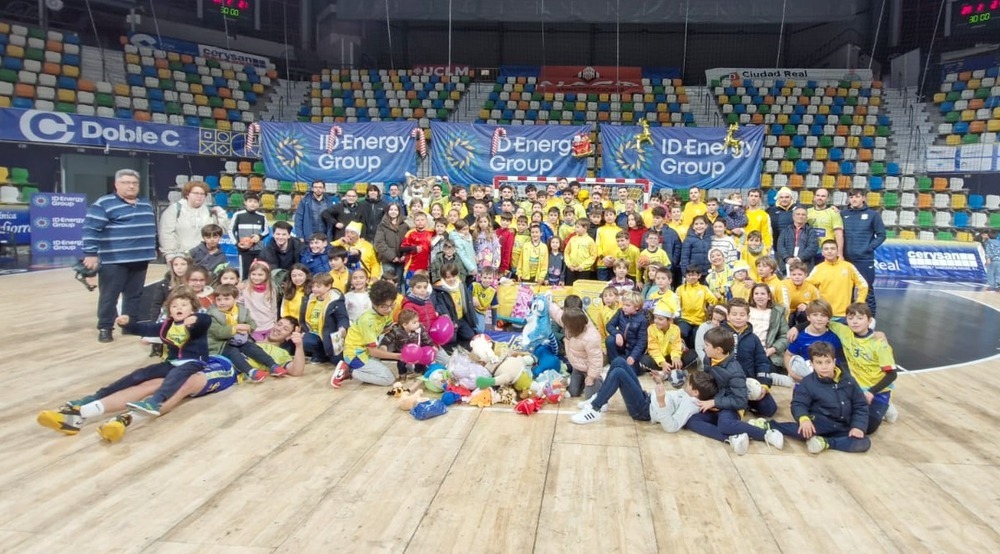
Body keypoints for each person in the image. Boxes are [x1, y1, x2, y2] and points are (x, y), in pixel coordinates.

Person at [82, 168, 158, 343]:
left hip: (140, 259)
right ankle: (105, 327)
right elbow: (91, 228)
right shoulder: (104, 203)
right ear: (116, 185)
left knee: (135, 295)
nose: (131, 186)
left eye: (134, 183)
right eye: (126, 183)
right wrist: (90, 253)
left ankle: (129, 325)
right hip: (113, 260)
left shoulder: (145, 203)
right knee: (109, 295)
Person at [681, 327, 784, 455]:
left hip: (730, 406)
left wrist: (714, 402)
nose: (704, 348)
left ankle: (767, 434)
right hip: (713, 403)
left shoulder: (735, 372)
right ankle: (731, 438)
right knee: (692, 421)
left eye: (707, 345)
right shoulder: (708, 359)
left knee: (725, 424)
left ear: (718, 350)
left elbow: (740, 401)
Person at [765, 341, 871, 454]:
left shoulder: (849, 381)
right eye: (819, 363)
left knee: (864, 442)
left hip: (843, 425)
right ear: (812, 364)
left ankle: (825, 442)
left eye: (828, 362)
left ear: (834, 362)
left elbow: (860, 405)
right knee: (802, 431)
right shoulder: (807, 383)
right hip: (819, 424)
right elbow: (799, 404)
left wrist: (858, 426)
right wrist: (804, 419)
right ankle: (768, 425)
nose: (824, 366)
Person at [570, 355, 717, 427]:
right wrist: (659, 382)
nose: (687, 385)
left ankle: (594, 409)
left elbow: (671, 426)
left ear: (696, 392)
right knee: (619, 362)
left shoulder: (690, 405)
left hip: (644, 410)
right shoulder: (689, 395)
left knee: (618, 374)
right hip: (647, 399)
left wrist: (660, 402)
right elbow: (671, 399)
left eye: (689, 384)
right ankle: (601, 401)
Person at [826, 303, 899, 433]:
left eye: (860, 318)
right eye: (851, 318)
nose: (855, 322)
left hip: (877, 392)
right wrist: (797, 328)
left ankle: (885, 407)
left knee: (867, 427)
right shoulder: (844, 331)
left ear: (869, 321)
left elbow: (892, 375)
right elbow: (822, 319)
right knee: (838, 416)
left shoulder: (879, 343)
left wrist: (871, 392)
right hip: (856, 388)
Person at [207, 284, 287, 382]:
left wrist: (248, 328)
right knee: (233, 351)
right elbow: (219, 332)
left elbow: (252, 323)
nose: (222, 302)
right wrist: (235, 328)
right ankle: (251, 372)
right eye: (219, 300)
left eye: (226, 299)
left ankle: (272, 365)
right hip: (220, 343)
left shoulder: (242, 310)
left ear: (235, 299)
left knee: (252, 347)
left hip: (239, 339)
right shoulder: (212, 315)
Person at [333, 279, 402, 387]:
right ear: (374, 304)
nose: (388, 310)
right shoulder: (368, 321)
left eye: (391, 305)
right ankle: (348, 371)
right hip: (355, 355)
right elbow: (373, 352)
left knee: (381, 370)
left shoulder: (385, 312)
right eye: (384, 306)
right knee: (388, 379)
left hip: (365, 351)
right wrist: (398, 356)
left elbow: (383, 328)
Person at [723, 299, 786, 409]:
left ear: (748, 317)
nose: (738, 317)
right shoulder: (718, 335)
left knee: (769, 408)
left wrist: (764, 384)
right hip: (725, 383)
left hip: (749, 382)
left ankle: (746, 403)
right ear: (727, 316)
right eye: (734, 314)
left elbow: (762, 362)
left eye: (742, 315)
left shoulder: (753, 339)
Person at [158, 180, 231, 261]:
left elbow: (222, 231)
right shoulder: (174, 209)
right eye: (196, 193)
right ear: (187, 194)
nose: (199, 196)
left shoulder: (208, 211)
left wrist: (221, 213)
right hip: (180, 257)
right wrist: (170, 255)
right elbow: (165, 234)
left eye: (202, 194)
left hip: (204, 257)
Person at [841, 188, 886, 317]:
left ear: (863, 198)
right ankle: (847, 319)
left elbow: (882, 235)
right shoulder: (843, 214)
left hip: (864, 260)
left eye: (857, 197)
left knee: (867, 290)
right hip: (846, 259)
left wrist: (869, 248)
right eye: (852, 197)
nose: (854, 199)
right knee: (846, 291)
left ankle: (871, 321)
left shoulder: (873, 215)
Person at [549, 303, 605, 399]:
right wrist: (547, 303)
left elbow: (596, 360)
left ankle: (599, 380)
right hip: (577, 367)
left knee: (591, 398)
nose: (564, 326)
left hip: (589, 368)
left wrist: (591, 376)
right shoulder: (569, 325)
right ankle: (581, 384)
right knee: (573, 393)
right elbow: (557, 314)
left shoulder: (591, 337)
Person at [783, 299, 844, 381]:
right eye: (815, 315)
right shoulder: (800, 337)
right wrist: (791, 372)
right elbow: (788, 355)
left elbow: (838, 362)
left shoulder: (833, 338)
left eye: (823, 315)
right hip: (802, 377)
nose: (819, 319)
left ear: (829, 318)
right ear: (808, 317)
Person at [807, 239, 869, 320]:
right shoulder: (818, 268)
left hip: (844, 315)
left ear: (837, 251)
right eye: (826, 249)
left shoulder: (848, 266)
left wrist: (859, 302)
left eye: (832, 248)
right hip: (824, 314)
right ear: (822, 252)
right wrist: (811, 303)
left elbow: (863, 285)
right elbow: (806, 285)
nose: (829, 251)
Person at [298, 272, 349, 364]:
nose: (314, 289)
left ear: (328, 286)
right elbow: (302, 318)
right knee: (306, 341)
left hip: (330, 334)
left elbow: (342, 317)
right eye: (313, 286)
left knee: (337, 361)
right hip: (314, 332)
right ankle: (319, 354)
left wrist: (342, 328)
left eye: (318, 286)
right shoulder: (308, 299)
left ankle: (329, 354)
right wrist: (302, 330)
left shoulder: (336, 301)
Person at [640, 304, 698, 381]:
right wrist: (662, 362)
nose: (656, 321)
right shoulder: (651, 328)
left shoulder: (675, 329)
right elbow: (653, 348)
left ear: (669, 320)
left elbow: (676, 345)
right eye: (655, 318)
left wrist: (676, 357)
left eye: (660, 319)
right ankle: (670, 372)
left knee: (693, 354)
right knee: (644, 360)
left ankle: (665, 373)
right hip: (658, 360)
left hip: (671, 358)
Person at [379, 308, 436, 381]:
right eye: (414, 322)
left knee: (419, 361)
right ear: (405, 325)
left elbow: (426, 337)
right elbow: (388, 338)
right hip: (402, 352)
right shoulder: (396, 330)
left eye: (418, 321)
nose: (418, 323)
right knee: (401, 363)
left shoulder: (420, 328)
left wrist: (432, 345)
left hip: (417, 351)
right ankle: (402, 375)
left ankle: (418, 372)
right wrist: (384, 345)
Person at [432, 263, 478, 351]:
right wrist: (451, 322)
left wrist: (472, 299)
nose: (452, 279)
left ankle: (459, 332)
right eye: (448, 277)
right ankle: (455, 333)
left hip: (460, 318)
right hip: (450, 319)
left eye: (453, 276)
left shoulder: (460, 284)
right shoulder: (439, 289)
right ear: (443, 278)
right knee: (451, 340)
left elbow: (466, 298)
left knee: (470, 336)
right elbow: (441, 307)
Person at [748, 282, 790, 375]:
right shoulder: (746, 311)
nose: (759, 296)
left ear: (769, 296)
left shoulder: (777, 313)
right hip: (748, 352)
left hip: (768, 353)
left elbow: (785, 336)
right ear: (752, 296)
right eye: (756, 294)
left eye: (763, 294)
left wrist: (773, 349)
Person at [604, 291, 648, 375]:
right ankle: (615, 363)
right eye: (623, 304)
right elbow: (609, 325)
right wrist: (617, 334)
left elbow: (641, 342)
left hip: (632, 350)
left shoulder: (642, 320)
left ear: (637, 307)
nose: (624, 307)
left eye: (628, 305)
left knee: (632, 372)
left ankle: (626, 364)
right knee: (610, 340)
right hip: (621, 345)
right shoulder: (620, 312)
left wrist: (633, 356)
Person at [675, 265, 719, 347]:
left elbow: (713, 301)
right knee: (682, 333)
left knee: (697, 338)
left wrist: (718, 298)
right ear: (686, 276)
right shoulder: (680, 289)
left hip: (700, 320)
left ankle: (695, 357)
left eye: (694, 275)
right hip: (685, 319)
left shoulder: (704, 289)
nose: (691, 277)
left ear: (699, 276)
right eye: (689, 275)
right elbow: (676, 304)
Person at [238, 260, 279, 342]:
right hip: (254, 325)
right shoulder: (245, 288)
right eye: (253, 274)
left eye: (260, 275)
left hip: (269, 324)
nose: (256, 277)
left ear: (267, 275)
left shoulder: (271, 289)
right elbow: (238, 304)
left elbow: (274, 307)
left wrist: (275, 322)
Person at [230, 192, 269, 278]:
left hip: (259, 250)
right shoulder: (238, 215)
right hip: (244, 251)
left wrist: (259, 236)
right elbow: (231, 231)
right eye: (250, 201)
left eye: (255, 202)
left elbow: (266, 230)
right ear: (245, 202)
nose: (252, 203)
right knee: (245, 273)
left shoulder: (262, 216)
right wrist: (237, 244)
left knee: (259, 272)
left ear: (258, 204)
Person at [373, 203, 410, 286]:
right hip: (387, 260)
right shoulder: (382, 225)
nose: (393, 212)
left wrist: (404, 255)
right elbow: (379, 243)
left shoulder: (404, 225)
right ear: (387, 211)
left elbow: (408, 241)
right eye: (391, 209)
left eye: (396, 210)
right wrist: (392, 257)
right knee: (389, 283)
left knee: (399, 283)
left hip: (401, 260)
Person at [776, 205, 819, 274]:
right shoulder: (785, 231)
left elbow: (813, 247)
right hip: (787, 264)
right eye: (798, 214)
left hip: (805, 265)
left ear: (806, 217)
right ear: (793, 216)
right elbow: (780, 246)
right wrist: (787, 258)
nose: (800, 216)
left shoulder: (811, 231)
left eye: (803, 214)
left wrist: (799, 258)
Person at [781, 260, 821, 327]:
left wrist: (807, 304)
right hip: (786, 313)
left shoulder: (811, 288)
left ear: (805, 275)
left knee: (804, 311)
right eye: (794, 274)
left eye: (800, 274)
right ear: (790, 275)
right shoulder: (783, 285)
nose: (797, 277)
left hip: (800, 314)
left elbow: (818, 303)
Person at [807, 187, 844, 260]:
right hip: (809, 250)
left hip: (826, 251)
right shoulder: (807, 212)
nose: (820, 198)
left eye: (823, 196)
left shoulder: (833, 213)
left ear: (828, 199)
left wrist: (840, 253)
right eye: (818, 195)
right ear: (814, 197)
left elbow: (838, 234)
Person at [564, 219, 597, 284]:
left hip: (584, 270)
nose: (575, 229)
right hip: (571, 269)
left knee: (581, 288)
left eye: (577, 227)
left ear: (585, 228)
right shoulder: (572, 239)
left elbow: (593, 256)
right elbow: (566, 252)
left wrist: (582, 266)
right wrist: (569, 264)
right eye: (575, 227)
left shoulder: (590, 241)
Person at [767, 186, 797, 251]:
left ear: (791, 198)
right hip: (776, 245)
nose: (784, 199)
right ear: (778, 198)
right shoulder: (770, 211)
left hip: (794, 245)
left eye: (787, 197)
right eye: (781, 197)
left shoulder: (798, 209)